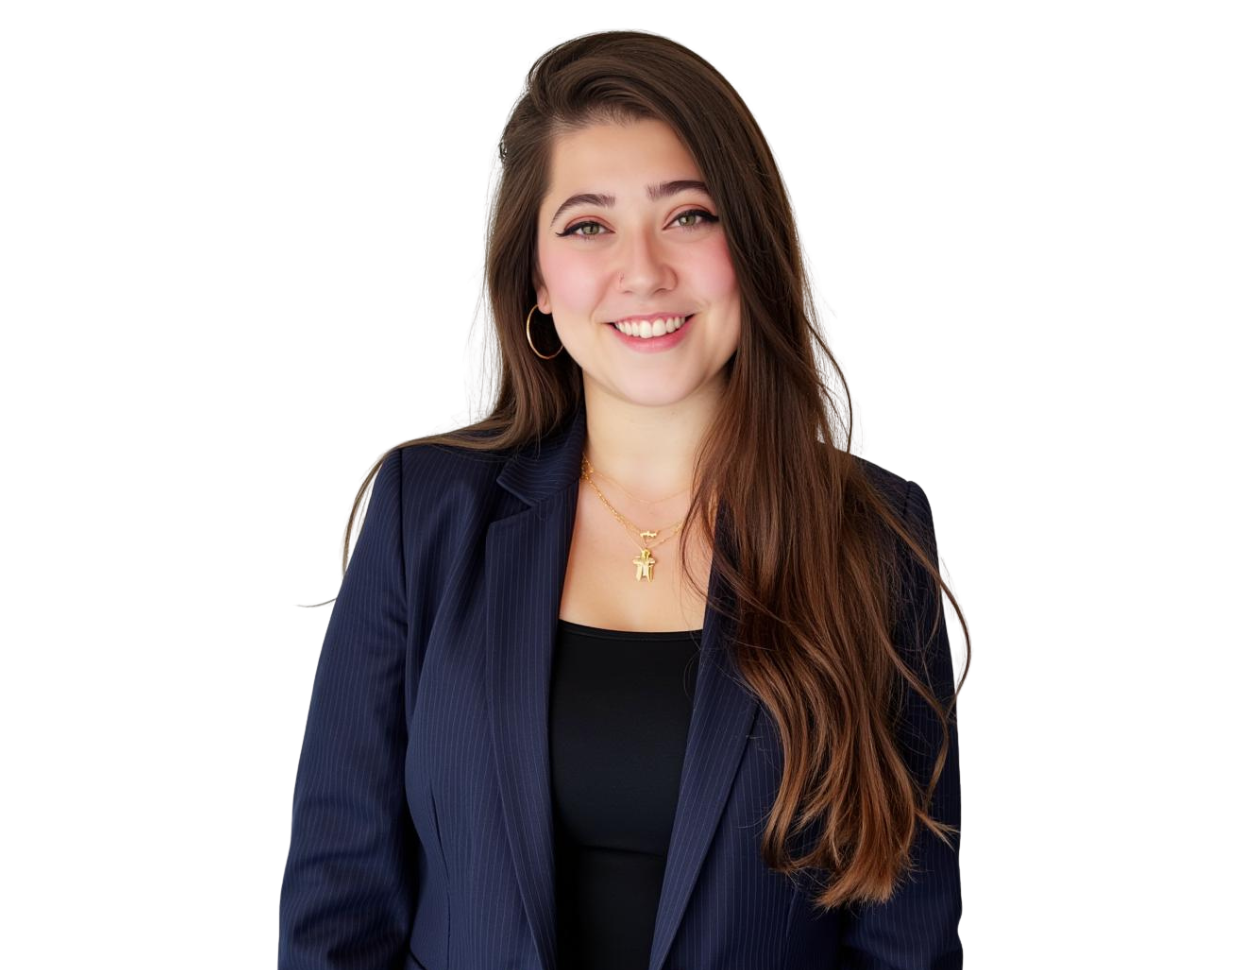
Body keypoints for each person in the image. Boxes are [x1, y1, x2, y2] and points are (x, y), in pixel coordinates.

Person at [279, 27, 970, 970]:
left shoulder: (874, 539)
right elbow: (335, 912)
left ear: (751, 247)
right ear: (536, 279)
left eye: (688, 215)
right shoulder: (421, 514)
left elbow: (907, 944)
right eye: (588, 226)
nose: (644, 271)